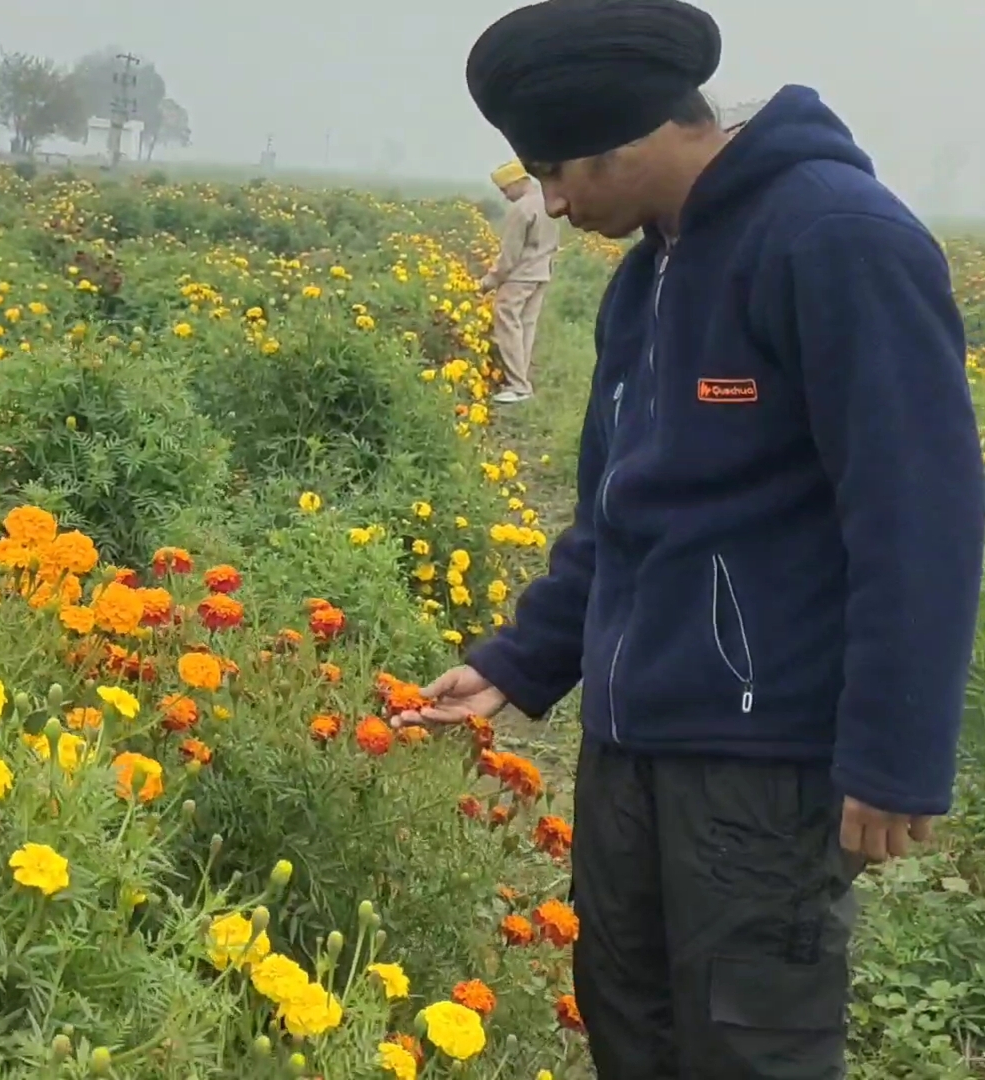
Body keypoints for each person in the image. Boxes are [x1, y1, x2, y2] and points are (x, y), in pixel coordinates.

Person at [394, 1, 985, 1077]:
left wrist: (896, 753)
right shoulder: (648, 273)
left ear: (639, 137)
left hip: (759, 755)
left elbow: (919, 514)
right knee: (629, 1015)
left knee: (748, 1040)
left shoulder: (832, 239)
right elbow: (622, 508)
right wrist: (518, 662)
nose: (556, 201)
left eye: (564, 171)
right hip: (630, 744)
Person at [483, 159, 561, 403]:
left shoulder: (522, 209)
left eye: (505, 189)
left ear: (517, 182)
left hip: (521, 275)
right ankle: (521, 381)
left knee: (506, 320)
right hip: (542, 272)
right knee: (525, 325)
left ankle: (518, 385)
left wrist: (490, 280)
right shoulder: (547, 200)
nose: (505, 196)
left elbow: (509, 255)